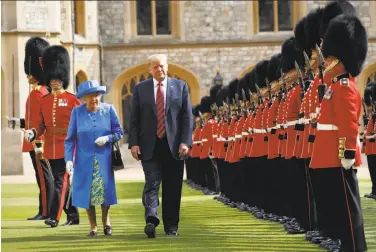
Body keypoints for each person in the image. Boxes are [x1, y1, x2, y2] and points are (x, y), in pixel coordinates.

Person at [310, 14, 368, 252]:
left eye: (331, 57)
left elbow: (348, 124)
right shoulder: (333, 87)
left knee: (347, 205)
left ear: (341, 60)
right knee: (336, 204)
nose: (327, 61)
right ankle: (345, 243)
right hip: (326, 154)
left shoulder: (344, 87)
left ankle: (355, 246)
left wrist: (347, 152)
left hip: (338, 155)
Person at [128, 54, 193, 238]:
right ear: (150, 69)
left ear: (167, 66)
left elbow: (187, 118)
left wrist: (185, 141)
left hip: (174, 147)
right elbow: (134, 119)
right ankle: (151, 219)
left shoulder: (181, 87)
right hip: (149, 145)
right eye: (155, 67)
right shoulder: (140, 89)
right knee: (152, 184)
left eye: (162, 66)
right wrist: (133, 143)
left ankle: (171, 226)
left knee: (173, 187)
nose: (159, 69)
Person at [24, 45, 80, 227]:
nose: (55, 82)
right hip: (51, 145)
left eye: (57, 79)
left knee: (60, 180)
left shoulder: (72, 99)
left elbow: (81, 122)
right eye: (52, 79)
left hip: (67, 145)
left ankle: (54, 217)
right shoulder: (46, 100)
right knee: (61, 181)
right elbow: (41, 125)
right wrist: (33, 132)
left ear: (62, 79)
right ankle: (72, 215)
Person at [65, 80, 123, 237]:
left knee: (105, 192)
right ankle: (93, 226)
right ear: (84, 98)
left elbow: (119, 132)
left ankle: (106, 221)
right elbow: (70, 139)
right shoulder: (77, 112)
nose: (94, 99)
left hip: (104, 160)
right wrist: (68, 160)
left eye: (96, 95)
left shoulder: (109, 110)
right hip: (84, 161)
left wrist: (107, 138)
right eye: (90, 96)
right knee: (87, 193)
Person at [8, 37, 54, 220]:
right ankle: (46, 209)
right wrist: (17, 122)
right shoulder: (41, 92)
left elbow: (40, 122)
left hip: (38, 141)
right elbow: (32, 120)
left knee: (43, 177)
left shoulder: (38, 93)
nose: (28, 75)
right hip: (36, 139)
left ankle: (45, 211)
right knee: (42, 176)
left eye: (30, 72)